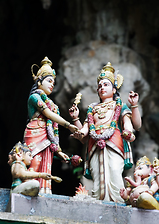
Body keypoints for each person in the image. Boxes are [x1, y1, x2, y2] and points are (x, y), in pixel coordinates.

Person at [69, 62, 140, 202]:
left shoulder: (119, 105)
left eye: (106, 85)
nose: (102, 88)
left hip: (114, 143)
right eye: (100, 86)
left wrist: (134, 108)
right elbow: (86, 130)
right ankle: (99, 200)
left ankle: (118, 201)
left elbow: (132, 124)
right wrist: (76, 122)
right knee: (98, 176)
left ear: (114, 89)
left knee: (114, 170)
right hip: (95, 145)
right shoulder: (93, 109)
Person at [24, 56, 78, 194]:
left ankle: (42, 192)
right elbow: (47, 114)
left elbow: (53, 130)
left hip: (47, 137)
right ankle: (27, 188)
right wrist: (68, 125)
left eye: (53, 82)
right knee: (34, 162)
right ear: (39, 81)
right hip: (35, 132)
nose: (52, 84)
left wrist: (59, 152)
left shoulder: (53, 104)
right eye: (49, 81)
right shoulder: (35, 97)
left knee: (45, 164)